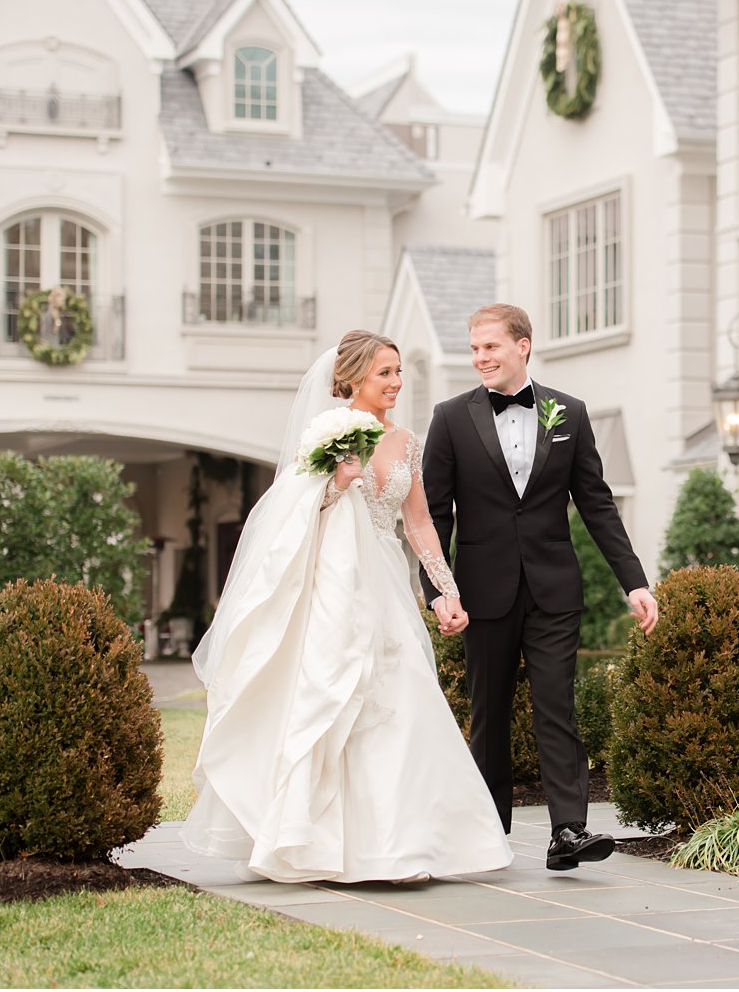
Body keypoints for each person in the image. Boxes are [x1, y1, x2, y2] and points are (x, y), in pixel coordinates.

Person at [180, 330, 513, 884]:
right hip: (335, 587)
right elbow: (291, 516)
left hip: (387, 583)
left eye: (399, 372)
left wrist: (445, 591)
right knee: (333, 697)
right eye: (385, 373)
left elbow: (419, 522)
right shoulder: (327, 434)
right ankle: (320, 845)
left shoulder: (405, 440)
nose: (396, 383)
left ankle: (408, 844)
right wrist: (334, 484)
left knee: (402, 695)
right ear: (354, 378)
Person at [421, 303, 658, 871]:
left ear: (522, 345)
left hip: (554, 589)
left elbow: (597, 505)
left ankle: (569, 832)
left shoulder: (568, 412)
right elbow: (434, 514)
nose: (480, 358)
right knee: (490, 713)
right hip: (482, 591)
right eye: (474, 348)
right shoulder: (451, 417)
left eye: (490, 347)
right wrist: (438, 590)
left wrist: (635, 582)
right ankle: (486, 831)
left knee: (558, 707)